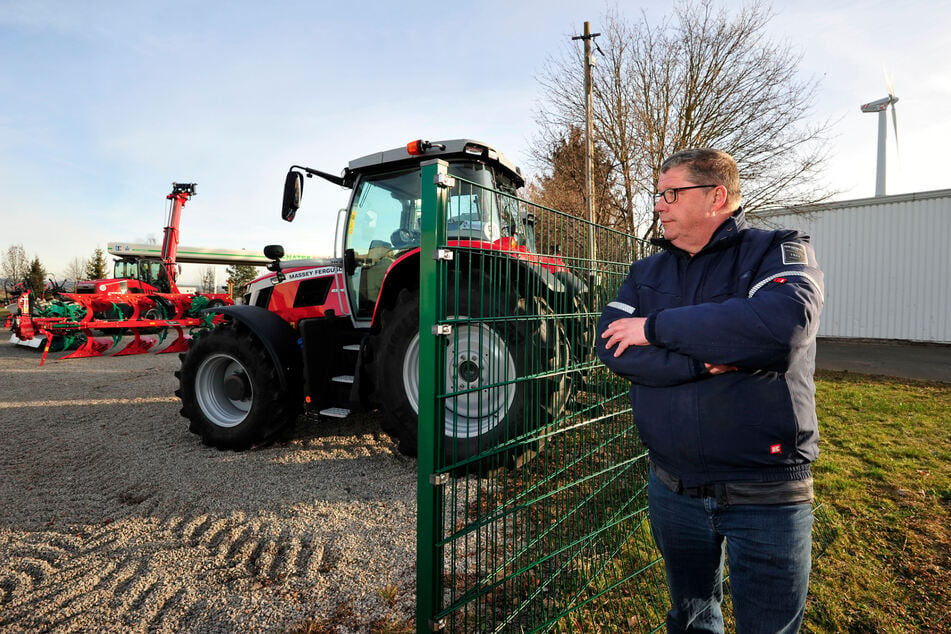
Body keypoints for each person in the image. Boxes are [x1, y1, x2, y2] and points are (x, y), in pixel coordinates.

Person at [596, 149, 824, 633]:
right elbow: (614, 347)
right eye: (659, 195)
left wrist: (654, 327)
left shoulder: (776, 251)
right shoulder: (646, 273)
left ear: (716, 196)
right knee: (692, 618)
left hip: (766, 492)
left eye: (670, 193)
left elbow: (778, 329)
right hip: (673, 487)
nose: (658, 205)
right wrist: (705, 360)